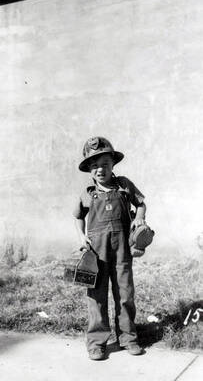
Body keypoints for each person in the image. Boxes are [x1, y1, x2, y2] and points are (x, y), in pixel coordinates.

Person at [73, 136, 146, 360]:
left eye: (104, 164)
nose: (100, 169)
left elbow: (141, 203)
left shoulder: (124, 186)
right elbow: (77, 218)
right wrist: (82, 237)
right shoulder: (87, 194)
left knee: (125, 294)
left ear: (113, 164)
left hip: (123, 252)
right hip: (97, 254)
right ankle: (97, 343)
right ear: (89, 170)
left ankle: (128, 338)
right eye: (94, 166)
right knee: (96, 296)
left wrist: (139, 220)